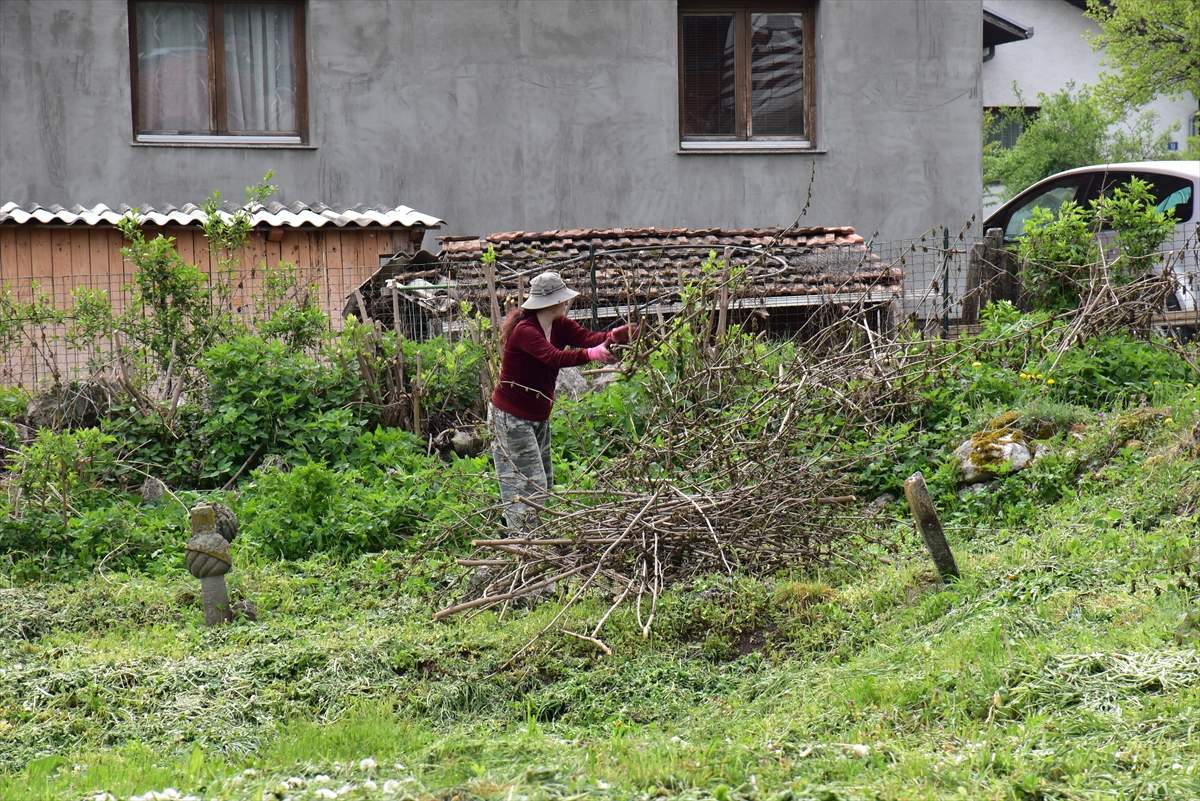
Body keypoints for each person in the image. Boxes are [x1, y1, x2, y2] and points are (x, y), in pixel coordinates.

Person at [489, 271, 637, 533]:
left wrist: (612, 337)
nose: (566, 304)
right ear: (553, 302)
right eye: (563, 300)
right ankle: (523, 539)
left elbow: (588, 338)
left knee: (543, 480)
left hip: (537, 415)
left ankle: (511, 529)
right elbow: (553, 357)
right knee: (529, 483)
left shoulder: (559, 326)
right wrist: (593, 355)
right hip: (512, 418)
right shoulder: (526, 331)